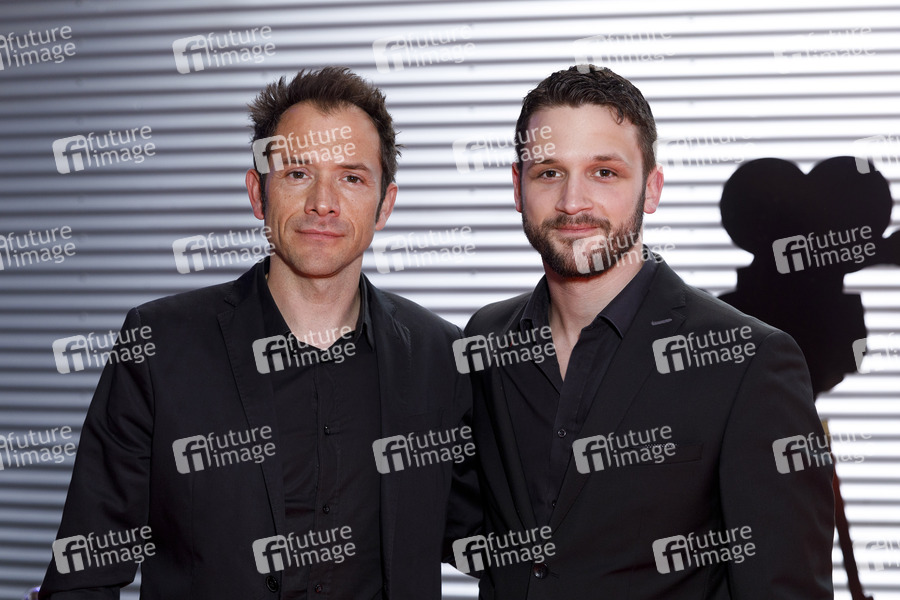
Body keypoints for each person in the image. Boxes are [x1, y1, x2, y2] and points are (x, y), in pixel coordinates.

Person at [39, 66, 478, 599]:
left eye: (352, 177)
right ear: (258, 194)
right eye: (297, 173)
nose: (323, 202)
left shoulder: (440, 356)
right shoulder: (158, 345)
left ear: (384, 204)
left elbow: (495, 540)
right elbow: (85, 573)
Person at [458, 65, 834, 598]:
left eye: (604, 172)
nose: (573, 202)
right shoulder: (487, 340)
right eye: (549, 172)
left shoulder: (748, 361)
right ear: (518, 188)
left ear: (651, 189)